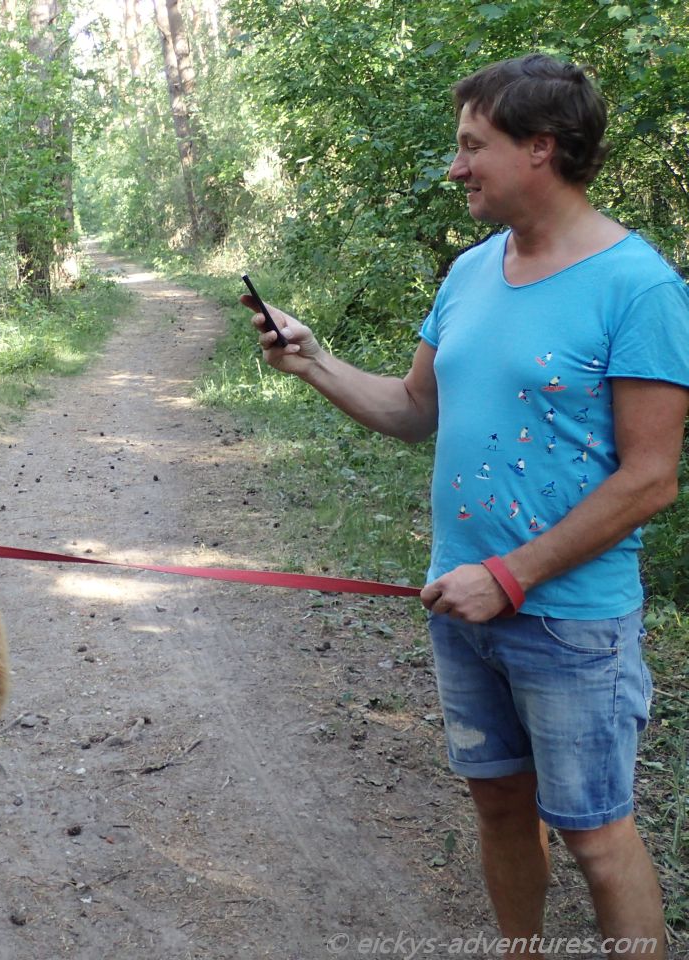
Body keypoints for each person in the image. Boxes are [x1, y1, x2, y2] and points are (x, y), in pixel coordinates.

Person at [245, 54, 689, 958]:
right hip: (461, 604)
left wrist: (511, 577)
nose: (455, 168)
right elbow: (416, 410)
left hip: (570, 621)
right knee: (498, 807)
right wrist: (313, 361)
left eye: (471, 146)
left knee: (596, 836)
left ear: (541, 147)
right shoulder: (471, 271)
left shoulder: (638, 287)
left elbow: (650, 478)